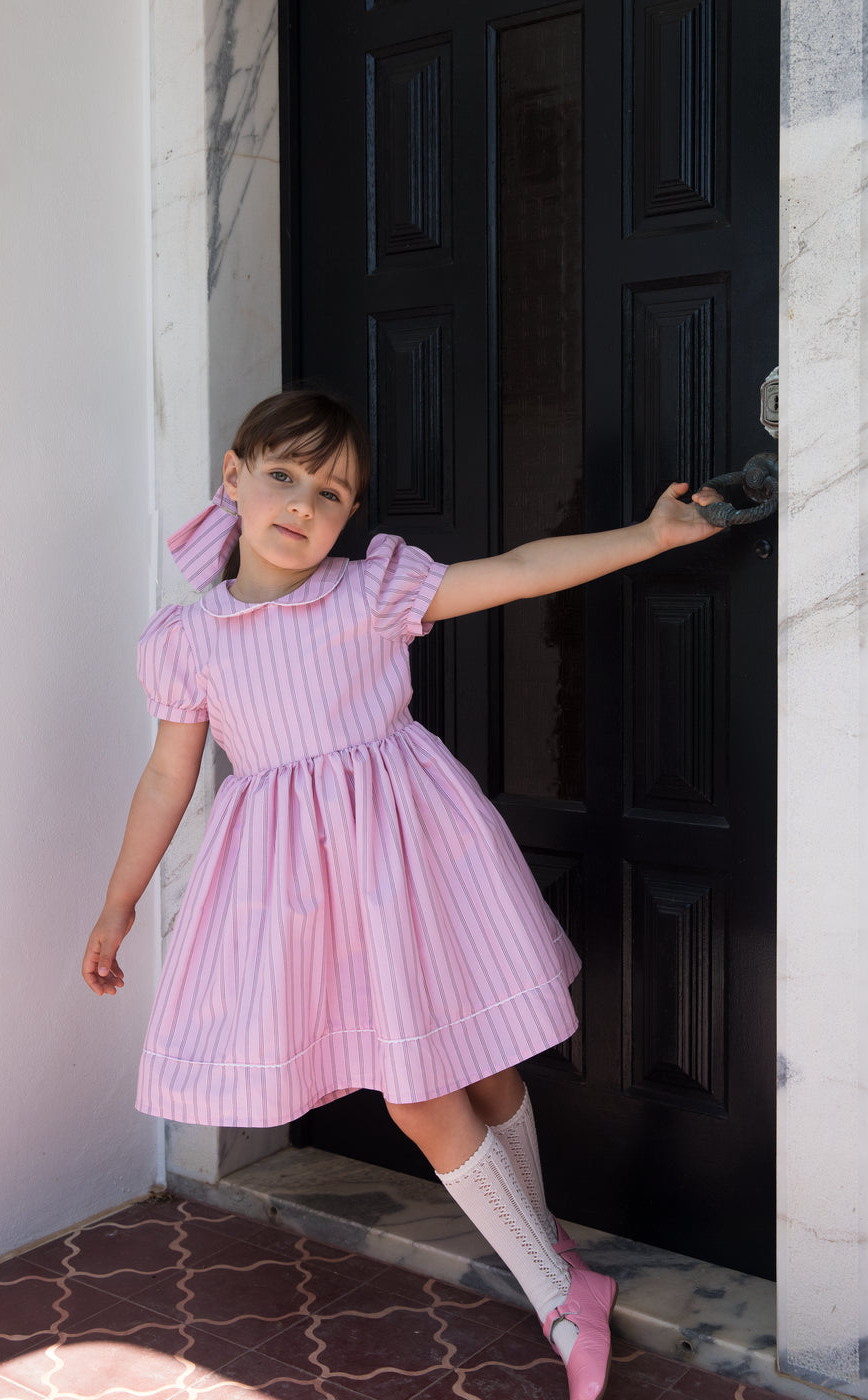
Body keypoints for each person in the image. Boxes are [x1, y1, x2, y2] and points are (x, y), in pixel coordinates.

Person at [82, 388, 723, 1400]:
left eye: (332, 491)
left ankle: (546, 1246)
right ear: (234, 477)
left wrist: (649, 536)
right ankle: (559, 1287)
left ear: (350, 514)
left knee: (483, 1062)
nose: (303, 504)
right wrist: (120, 901)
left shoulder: (369, 592)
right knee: (416, 1089)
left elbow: (519, 570)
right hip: (302, 892)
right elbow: (169, 775)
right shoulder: (188, 638)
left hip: (414, 857)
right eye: (283, 476)